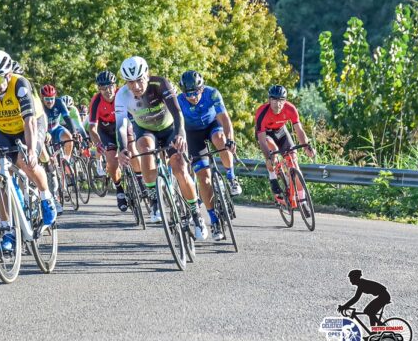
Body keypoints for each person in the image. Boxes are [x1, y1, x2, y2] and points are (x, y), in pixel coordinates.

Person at [0, 50, 56, 252]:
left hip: (30, 126)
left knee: (25, 162)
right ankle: (7, 229)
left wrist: (32, 150)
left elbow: (29, 120)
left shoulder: (20, 84)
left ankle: (46, 196)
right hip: (4, 129)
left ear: (7, 75)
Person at [115, 56, 207, 239]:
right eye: (131, 83)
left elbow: (177, 112)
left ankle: (196, 215)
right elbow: (121, 125)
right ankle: (154, 199)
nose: (136, 87)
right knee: (143, 146)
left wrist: (181, 133)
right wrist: (123, 148)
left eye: (140, 80)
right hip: (146, 130)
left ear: (147, 74)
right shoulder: (122, 95)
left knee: (180, 167)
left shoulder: (160, 84)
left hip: (170, 128)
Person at [177, 70, 242, 240]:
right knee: (204, 179)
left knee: (221, 139)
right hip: (192, 134)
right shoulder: (178, 101)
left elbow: (225, 118)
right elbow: (176, 127)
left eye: (195, 92)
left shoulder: (212, 94)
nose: (192, 97)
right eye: (188, 93)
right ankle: (213, 221)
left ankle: (231, 177)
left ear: (202, 87)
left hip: (212, 125)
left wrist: (231, 139)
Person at [255, 85, 315, 215]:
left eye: (281, 100)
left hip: (281, 132)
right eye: (275, 100)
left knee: (294, 163)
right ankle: (273, 177)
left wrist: (306, 145)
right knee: (273, 151)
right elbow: (261, 140)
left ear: (285, 100)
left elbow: (298, 130)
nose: (278, 104)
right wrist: (268, 158)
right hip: (266, 135)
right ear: (269, 100)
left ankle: (303, 202)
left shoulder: (290, 109)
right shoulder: (262, 112)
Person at [88, 70, 142, 212]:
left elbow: (137, 113)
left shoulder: (123, 95)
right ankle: (119, 189)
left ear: (115, 85)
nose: (108, 91)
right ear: (99, 89)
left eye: (110, 86)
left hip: (123, 126)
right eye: (103, 88)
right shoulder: (96, 101)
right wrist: (98, 143)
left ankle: (141, 180)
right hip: (106, 131)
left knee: (133, 151)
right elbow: (92, 127)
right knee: (112, 161)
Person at [41, 84, 79, 161]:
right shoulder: (39, 105)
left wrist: (74, 132)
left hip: (56, 128)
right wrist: (44, 133)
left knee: (69, 137)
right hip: (43, 130)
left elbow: (67, 118)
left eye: (52, 98)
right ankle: (48, 167)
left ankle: (66, 160)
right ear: (42, 98)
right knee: (48, 159)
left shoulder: (59, 102)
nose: (50, 101)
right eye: (47, 99)